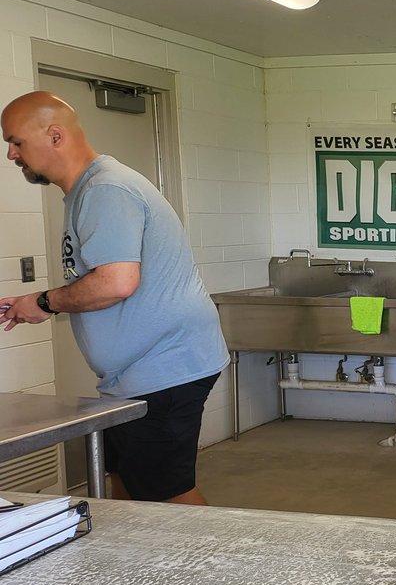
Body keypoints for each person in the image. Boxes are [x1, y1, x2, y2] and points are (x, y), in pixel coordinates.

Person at [0, 91, 229, 504]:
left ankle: (218, 566)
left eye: (16, 142)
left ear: (54, 136)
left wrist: (46, 302)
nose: (12, 155)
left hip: (165, 368)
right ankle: (136, 565)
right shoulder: (86, 191)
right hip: (136, 375)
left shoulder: (106, 189)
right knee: (125, 481)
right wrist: (38, 301)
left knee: (166, 493)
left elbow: (116, 282)